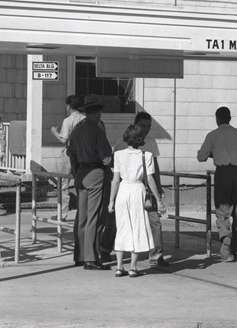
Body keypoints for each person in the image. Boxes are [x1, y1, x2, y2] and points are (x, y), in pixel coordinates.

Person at [108, 124, 165, 278]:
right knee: (138, 228)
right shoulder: (146, 156)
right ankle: (133, 267)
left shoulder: (118, 155)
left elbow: (115, 180)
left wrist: (111, 201)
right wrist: (158, 201)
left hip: (122, 191)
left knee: (122, 228)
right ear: (140, 139)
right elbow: (151, 179)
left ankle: (119, 267)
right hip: (137, 191)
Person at [197, 107, 237, 262]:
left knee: (222, 210)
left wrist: (212, 153)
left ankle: (224, 237)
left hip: (222, 174)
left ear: (217, 118)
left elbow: (201, 157)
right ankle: (233, 249)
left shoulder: (212, 135)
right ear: (230, 118)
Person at [68, 94, 113, 271]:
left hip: (80, 173)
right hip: (95, 173)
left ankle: (79, 255)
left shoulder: (76, 131)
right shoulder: (96, 131)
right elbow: (106, 158)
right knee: (94, 217)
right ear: (96, 114)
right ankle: (91, 258)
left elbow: (70, 154)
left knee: (81, 217)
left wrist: (76, 172)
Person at [50, 95, 85, 219]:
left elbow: (64, 139)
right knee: (82, 183)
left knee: (63, 184)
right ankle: (82, 212)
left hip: (69, 155)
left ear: (68, 106)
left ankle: (62, 213)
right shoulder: (85, 119)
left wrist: (54, 133)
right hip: (83, 155)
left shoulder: (68, 120)